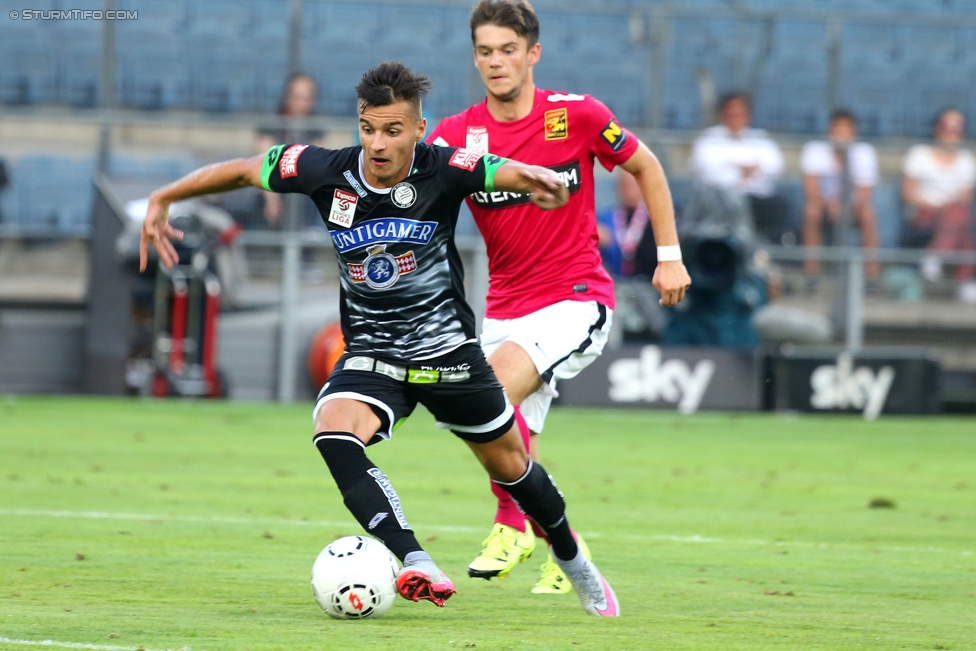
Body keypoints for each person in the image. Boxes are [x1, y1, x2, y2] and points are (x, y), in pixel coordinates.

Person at [140, 61, 620, 617]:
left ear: (419, 130)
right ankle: (416, 560)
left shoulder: (444, 166)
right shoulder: (325, 171)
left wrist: (537, 180)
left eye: (393, 130)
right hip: (372, 352)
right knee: (333, 432)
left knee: (512, 468)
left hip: (448, 355)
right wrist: (164, 197)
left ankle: (572, 558)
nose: (378, 143)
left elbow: (498, 171)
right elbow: (249, 170)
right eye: (368, 128)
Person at [428, 0, 690, 594]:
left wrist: (669, 257)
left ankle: (511, 524)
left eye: (508, 50)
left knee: (484, 395)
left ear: (533, 54)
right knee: (501, 440)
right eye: (485, 51)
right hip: (504, 308)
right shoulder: (455, 134)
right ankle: (560, 544)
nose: (496, 62)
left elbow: (646, 167)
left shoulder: (576, 116)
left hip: (575, 297)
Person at [690, 92, 791, 245]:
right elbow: (708, 170)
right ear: (723, 114)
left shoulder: (760, 138)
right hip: (721, 202)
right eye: (731, 113)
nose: (736, 118)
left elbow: (775, 167)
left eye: (740, 113)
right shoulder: (709, 139)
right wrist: (747, 171)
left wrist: (733, 166)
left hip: (757, 199)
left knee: (779, 205)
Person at [901, 108, 976, 303]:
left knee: (958, 218)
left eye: (957, 128)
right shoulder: (919, 155)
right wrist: (937, 207)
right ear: (936, 128)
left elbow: (965, 199)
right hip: (922, 212)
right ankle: (964, 283)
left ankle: (935, 257)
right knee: (959, 222)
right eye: (946, 127)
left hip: (952, 216)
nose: (951, 132)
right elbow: (908, 194)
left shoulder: (967, 160)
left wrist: (947, 208)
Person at [800, 109, 880, 281]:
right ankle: (811, 271)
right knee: (811, 211)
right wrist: (830, 205)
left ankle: (871, 273)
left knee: (868, 213)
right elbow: (811, 190)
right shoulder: (814, 150)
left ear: (854, 133)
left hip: (853, 207)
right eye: (838, 129)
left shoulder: (865, 153)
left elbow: (865, 193)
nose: (841, 134)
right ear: (830, 131)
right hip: (823, 206)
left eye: (846, 129)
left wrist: (844, 207)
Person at [255, 73, 325, 228]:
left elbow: (318, 163)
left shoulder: (315, 127)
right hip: (273, 191)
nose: (303, 103)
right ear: (287, 97)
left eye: (308, 98)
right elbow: (264, 163)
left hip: (302, 197)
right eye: (298, 97)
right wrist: (272, 201)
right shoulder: (272, 124)